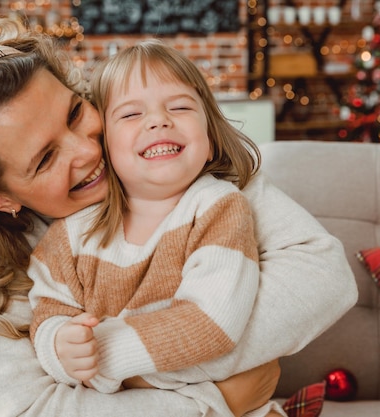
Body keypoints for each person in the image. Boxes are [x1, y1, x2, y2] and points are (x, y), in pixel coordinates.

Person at [0, 17, 357, 417]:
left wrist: (136, 370)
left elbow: (324, 278)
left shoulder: (187, 176)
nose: (88, 150)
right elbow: (23, 410)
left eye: (75, 112)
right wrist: (213, 401)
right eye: (45, 158)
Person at [27, 39, 284, 417]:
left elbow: (213, 324)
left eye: (180, 107)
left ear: (210, 140)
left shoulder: (219, 208)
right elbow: (48, 311)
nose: (159, 120)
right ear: (106, 149)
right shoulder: (71, 235)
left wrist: (105, 363)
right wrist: (58, 346)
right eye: (130, 115)